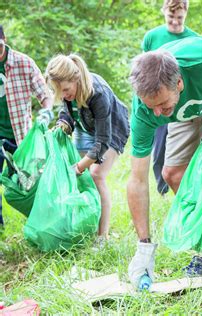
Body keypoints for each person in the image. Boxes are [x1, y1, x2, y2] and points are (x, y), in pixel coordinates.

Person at [127, 36, 202, 286]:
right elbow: (137, 179)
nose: (157, 114)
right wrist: (144, 246)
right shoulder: (145, 111)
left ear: (179, 83)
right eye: (151, 106)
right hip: (183, 112)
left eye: (160, 104)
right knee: (171, 173)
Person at [45, 54, 130, 239]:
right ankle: (87, 226)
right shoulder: (66, 90)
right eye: (60, 93)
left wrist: (78, 167)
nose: (64, 95)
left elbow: (102, 142)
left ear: (76, 78)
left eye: (66, 90)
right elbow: (66, 111)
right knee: (83, 181)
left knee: (96, 174)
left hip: (111, 129)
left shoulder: (98, 94)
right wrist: (62, 124)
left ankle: (102, 237)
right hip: (85, 126)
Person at [142, 0, 198, 196]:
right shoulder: (152, 37)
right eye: (171, 17)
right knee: (159, 151)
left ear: (186, 14)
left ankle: (187, 185)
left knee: (185, 151)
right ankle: (162, 190)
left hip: (183, 103)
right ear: (164, 12)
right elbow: (145, 72)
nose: (175, 22)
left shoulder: (193, 38)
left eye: (179, 18)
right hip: (160, 103)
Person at [0, 25, 53, 228]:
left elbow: (45, 94)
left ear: (4, 39)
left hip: (20, 137)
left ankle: (37, 224)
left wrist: (46, 111)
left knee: (26, 185)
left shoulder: (23, 63)